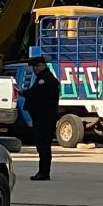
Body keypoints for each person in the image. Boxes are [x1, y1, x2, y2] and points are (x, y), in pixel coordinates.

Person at [20, 52, 60, 181]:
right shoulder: (42, 78)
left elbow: (35, 94)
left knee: (43, 145)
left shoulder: (45, 79)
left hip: (45, 118)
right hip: (41, 117)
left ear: (44, 65)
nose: (35, 68)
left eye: (37, 65)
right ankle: (43, 171)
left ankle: (44, 172)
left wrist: (23, 93)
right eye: (34, 66)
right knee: (41, 144)